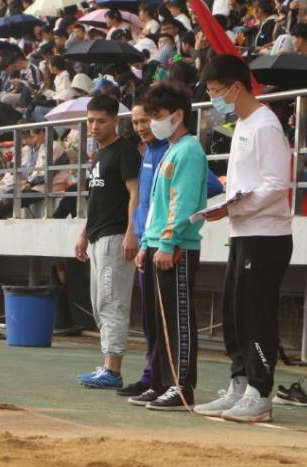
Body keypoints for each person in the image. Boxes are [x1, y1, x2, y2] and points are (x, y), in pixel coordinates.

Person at [197, 55, 293, 423]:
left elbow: (276, 184)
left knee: (256, 314)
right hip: (243, 232)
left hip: (265, 234)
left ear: (236, 88)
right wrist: (228, 206)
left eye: (216, 92)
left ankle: (259, 391)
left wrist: (234, 208)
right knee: (234, 312)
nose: (214, 99)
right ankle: (239, 383)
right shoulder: (242, 123)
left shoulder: (265, 125)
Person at [132, 82, 208, 411]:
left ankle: (181, 386)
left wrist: (167, 241)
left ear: (177, 115)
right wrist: (147, 243)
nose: (153, 123)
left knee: (177, 321)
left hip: (175, 247)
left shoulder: (188, 150)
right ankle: (162, 382)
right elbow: (156, 205)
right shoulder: (169, 151)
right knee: (158, 321)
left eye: (158, 115)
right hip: (156, 244)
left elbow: (183, 202)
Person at [75, 94, 140, 390]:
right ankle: (107, 365)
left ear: (115, 120)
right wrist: (83, 233)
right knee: (99, 302)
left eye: (101, 121)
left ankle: (113, 370)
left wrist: (131, 231)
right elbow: (96, 201)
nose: (94, 126)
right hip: (98, 236)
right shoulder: (99, 156)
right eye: (90, 120)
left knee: (112, 301)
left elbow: (135, 193)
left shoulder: (125, 152)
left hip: (116, 236)